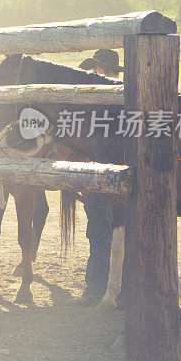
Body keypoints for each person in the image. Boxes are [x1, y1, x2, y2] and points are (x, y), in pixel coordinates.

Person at [75, 49, 123, 306]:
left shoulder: (110, 96)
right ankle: (98, 287)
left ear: (103, 70)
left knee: (100, 233)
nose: (93, 73)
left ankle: (96, 288)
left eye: (96, 69)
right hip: (101, 174)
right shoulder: (120, 93)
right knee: (100, 233)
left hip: (105, 175)